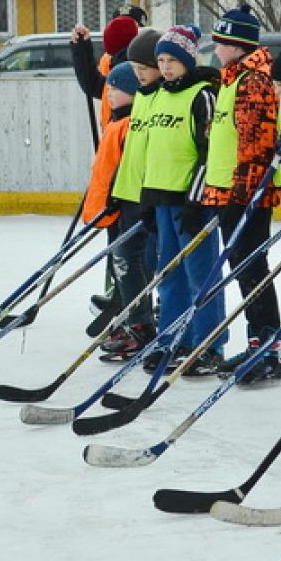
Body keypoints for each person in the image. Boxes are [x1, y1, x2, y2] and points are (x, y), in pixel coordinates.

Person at [200, 5, 281, 386]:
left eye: (221, 43)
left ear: (237, 45)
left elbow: (257, 143)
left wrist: (241, 193)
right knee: (244, 269)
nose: (216, 49)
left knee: (252, 269)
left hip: (244, 193)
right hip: (227, 191)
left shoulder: (252, 81)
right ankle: (260, 340)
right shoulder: (232, 77)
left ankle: (268, 345)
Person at [137, 25, 225, 373]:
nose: (167, 66)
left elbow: (208, 152)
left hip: (192, 203)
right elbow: (151, 151)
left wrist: (195, 200)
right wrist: (146, 200)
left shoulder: (203, 95)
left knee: (200, 274)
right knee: (169, 274)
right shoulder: (157, 95)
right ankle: (172, 339)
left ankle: (209, 343)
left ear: (189, 60)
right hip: (161, 200)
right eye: (161, 60)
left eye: (173, 60)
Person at [74, 13, 153, 327]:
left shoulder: (130, 72)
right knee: (120, 247)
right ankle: (122, 295)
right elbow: (93, 85)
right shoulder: (113, 64)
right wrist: (80, 52)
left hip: (126, 177)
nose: (107, 90)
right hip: (114, 167)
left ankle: (131, 303)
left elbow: (96, 85)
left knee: (129, 251)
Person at [99, 27, 169, 363]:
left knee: (147, 261)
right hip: (127, 197)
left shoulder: (154, 102)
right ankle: (138, 321)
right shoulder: (139, 105)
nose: (110, 93)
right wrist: (114, 190)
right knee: (124, 258)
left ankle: (146, 321)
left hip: (152, 198)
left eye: (143, 70)